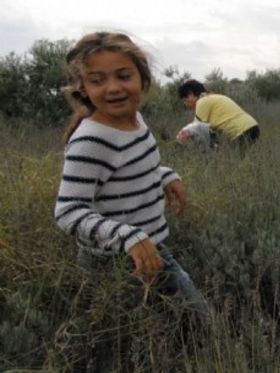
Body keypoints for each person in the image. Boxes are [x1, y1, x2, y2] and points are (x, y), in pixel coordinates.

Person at [55, 32, 208, 324]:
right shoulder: (91, 140)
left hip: (147, 250)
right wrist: (129, 237)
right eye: (97, 80)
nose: (112, 88)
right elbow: (67, 212)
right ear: (83, 88)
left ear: (143, 78)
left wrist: (164, 176)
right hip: (112, 261)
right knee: (189, 325)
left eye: (123, 75)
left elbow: (134, 168)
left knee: (166, 328)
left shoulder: (136, 120)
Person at [178, 79, 259, 146]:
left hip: (242, 132)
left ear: (191, 94)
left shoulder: (202, 101)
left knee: (232, 161)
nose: (186, 104)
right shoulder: (212, 97)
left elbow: (195, 129)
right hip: (252, 127)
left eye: (185, 99)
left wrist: (179, 141)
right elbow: (209, 132)